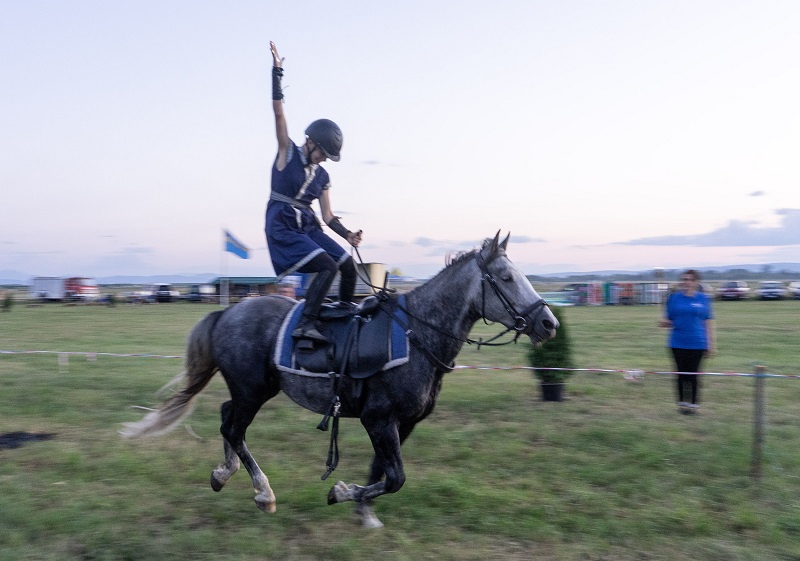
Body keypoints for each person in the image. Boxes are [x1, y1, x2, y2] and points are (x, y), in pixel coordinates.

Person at [265, 41, 362, 343]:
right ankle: (305, 324)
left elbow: (328, 216)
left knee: (347, 265)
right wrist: (277, 73)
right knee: (326, 267)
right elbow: (279, 114)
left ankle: (345, 313)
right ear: (311, 142)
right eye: (323, 153)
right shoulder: (287, 152)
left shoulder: (323, 176)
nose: (323, 159)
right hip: (282, 223)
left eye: (327, 157)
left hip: (308, 225)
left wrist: (347, 235)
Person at [659, 269, 717, 413]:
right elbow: (668, 319)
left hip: (698, 343)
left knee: (694, 375)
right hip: (677, 342)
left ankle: (694, 405)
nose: (687, 282)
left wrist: (711, 344)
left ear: (696, 282)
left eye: (690, 280)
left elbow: (708, 322)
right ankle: (682, 404)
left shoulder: (703, 299)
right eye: (684, 279)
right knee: (681, 375)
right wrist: (664, 323)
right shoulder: (674, 298)